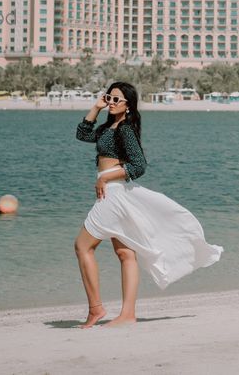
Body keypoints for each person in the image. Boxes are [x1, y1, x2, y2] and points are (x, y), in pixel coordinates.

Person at [73, 81, 222, 328]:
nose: (111, 102)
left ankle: (96, 309)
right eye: (109, 97)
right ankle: (128, 314)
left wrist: (106, 176)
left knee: (82, 246)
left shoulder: (126, 130)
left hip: (113, 194)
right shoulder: (108, 127)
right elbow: (82, 134)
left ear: (128, 106)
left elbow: (139, 166)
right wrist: (96, 108)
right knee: (125, 253)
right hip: (112, 194)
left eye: (116, 100)